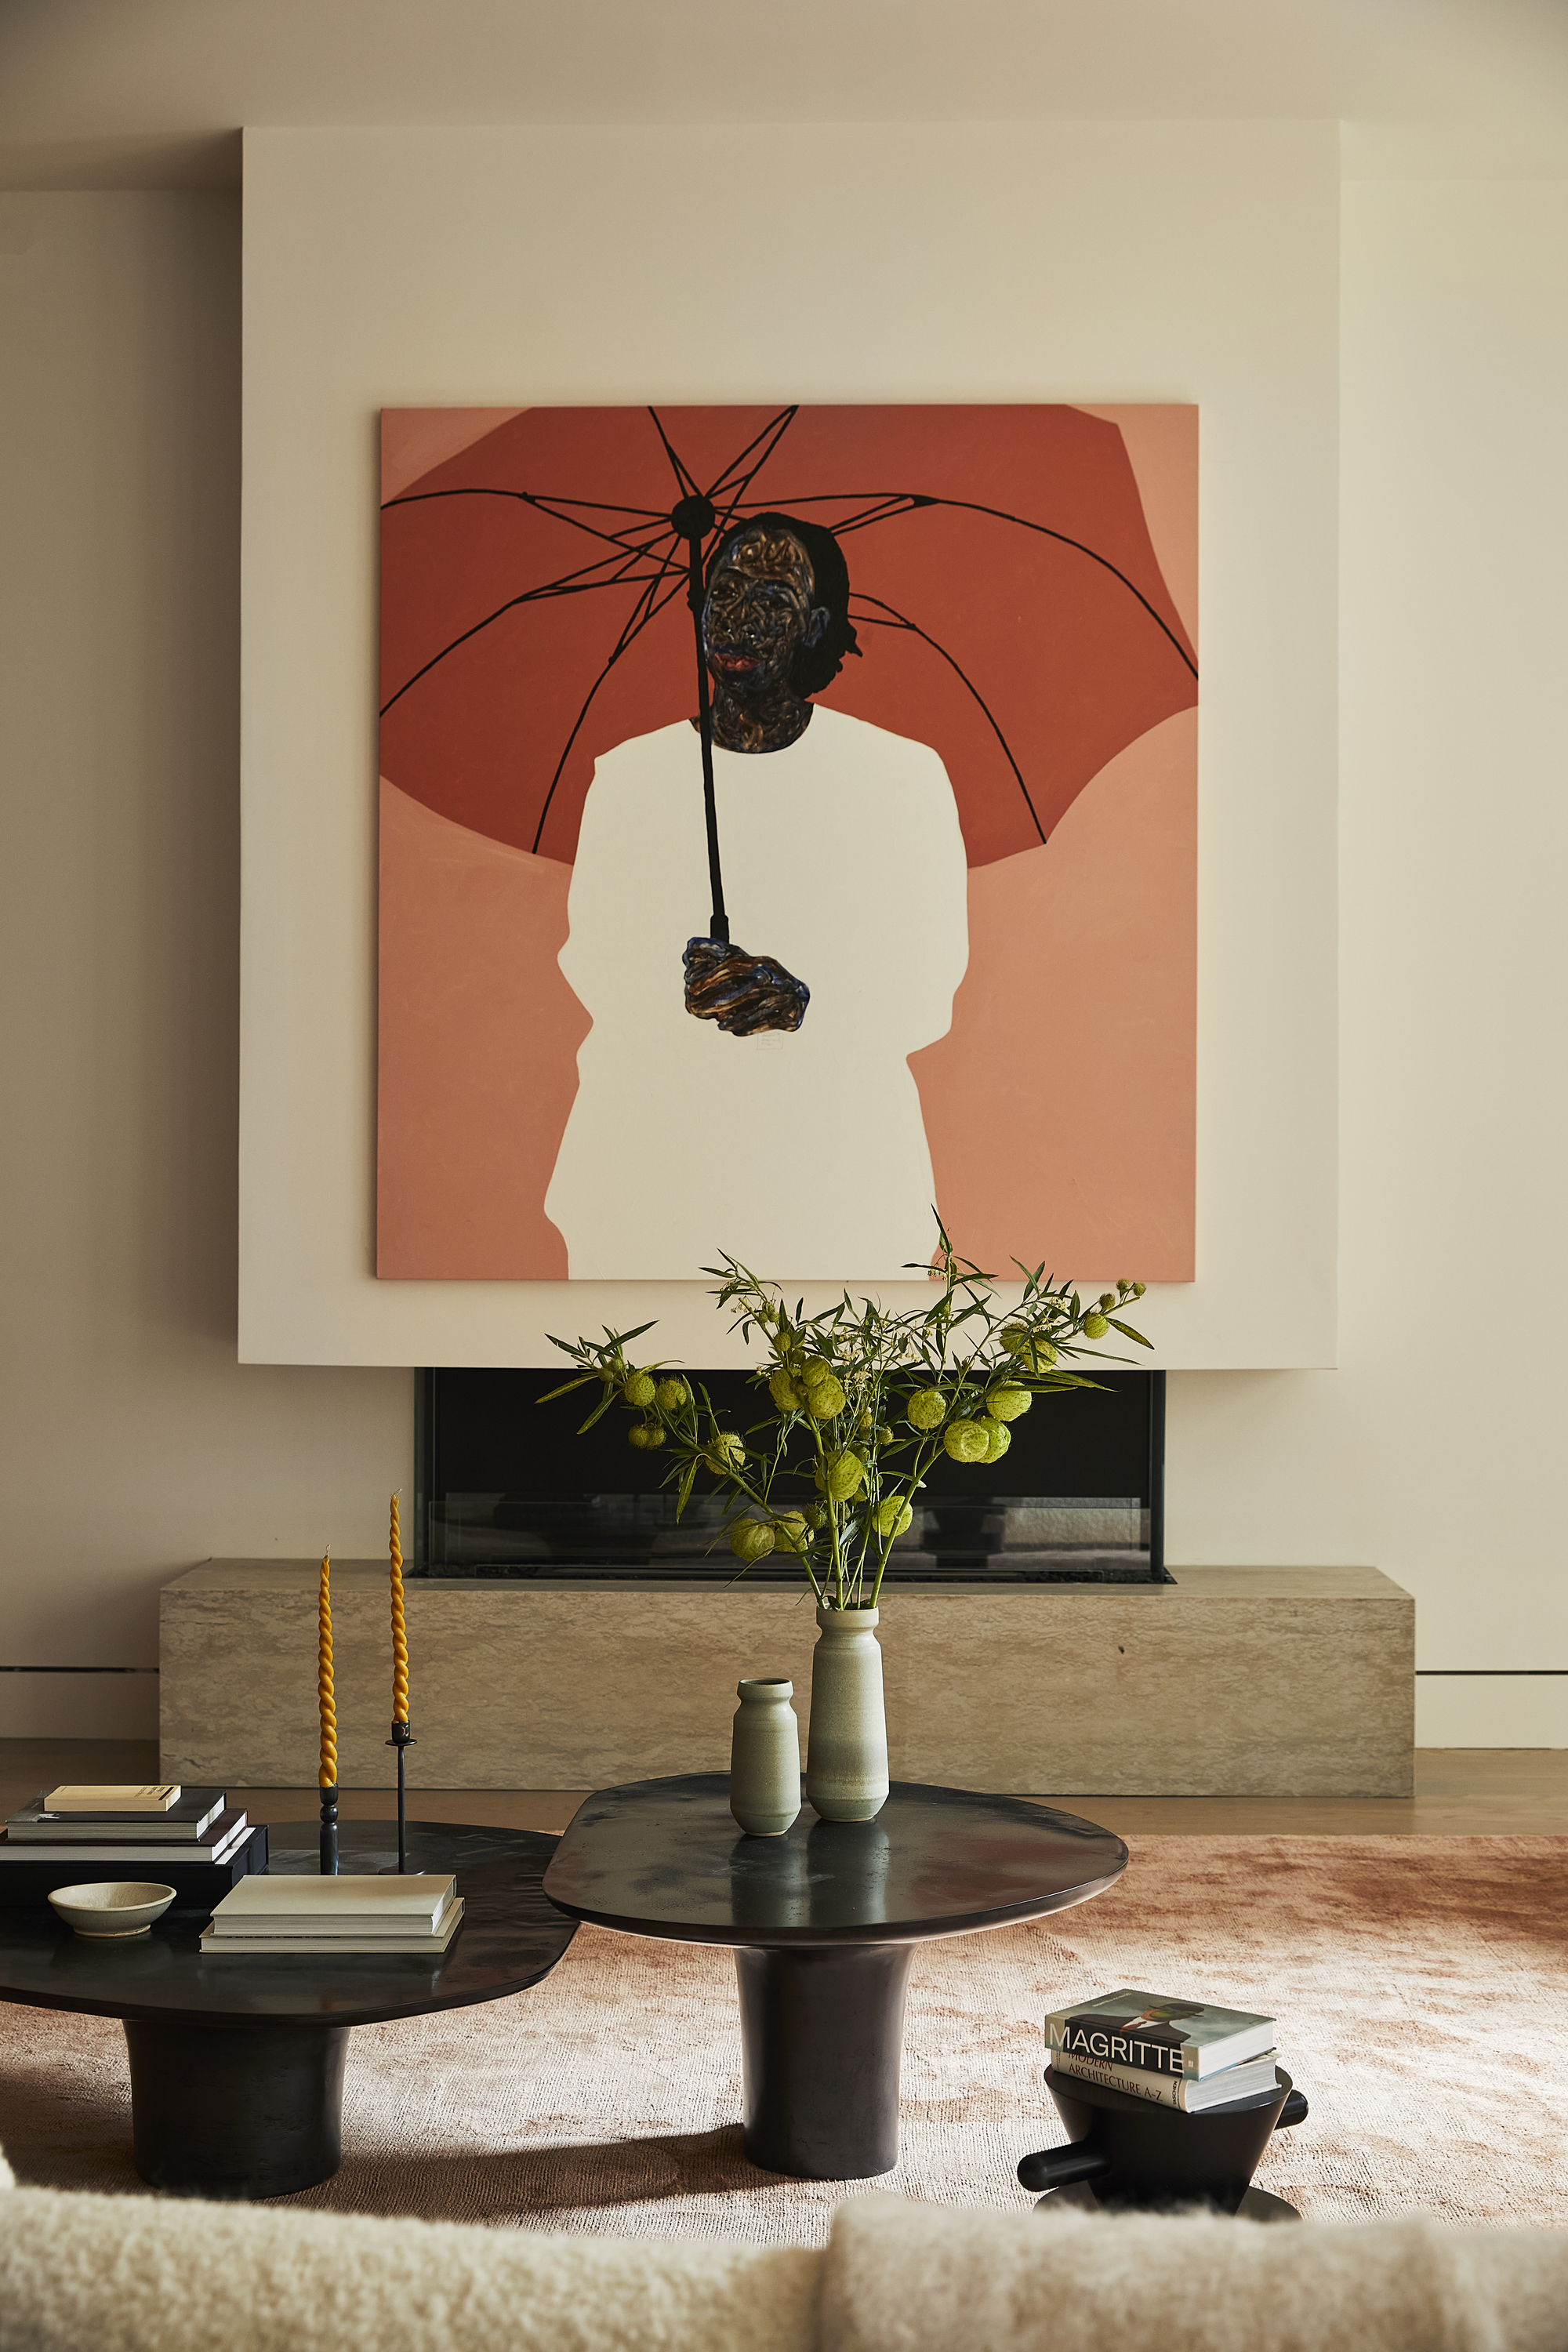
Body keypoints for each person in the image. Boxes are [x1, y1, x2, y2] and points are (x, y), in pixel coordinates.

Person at [543, 514, 968, 1281]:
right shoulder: (629, 780)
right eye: (724, 592)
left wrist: (801, 1001)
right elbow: (593, 966)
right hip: (650, 1174)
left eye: (770, 599)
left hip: (838, 1176)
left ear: (814, 628)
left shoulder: (898, 779)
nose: (736, 620)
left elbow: (926, 990)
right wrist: (678, 985)